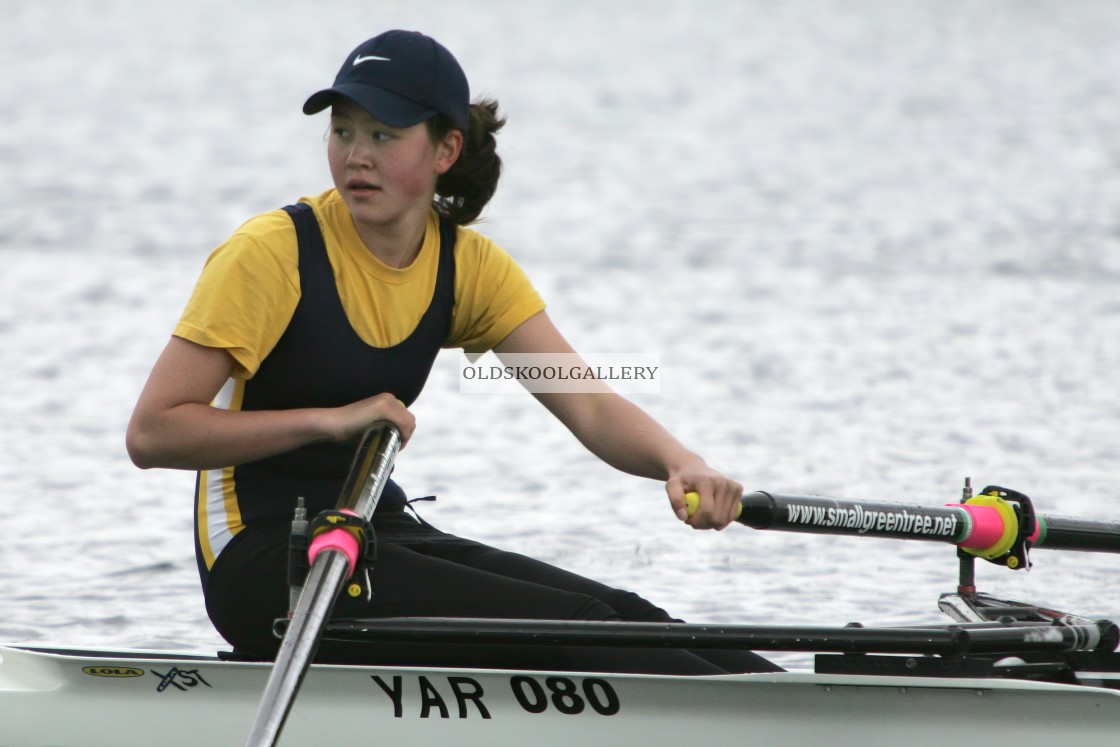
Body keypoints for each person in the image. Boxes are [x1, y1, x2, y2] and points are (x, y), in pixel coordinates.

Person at [127, 30, 778, 674]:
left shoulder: (466, 265)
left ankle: (794, 708)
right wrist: (330, 420)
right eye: (344, 130)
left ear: (446, 149)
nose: (357, 155)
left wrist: (682, 462)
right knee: (583, 628)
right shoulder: (271, 254)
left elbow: (588, 402)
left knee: (630, 618)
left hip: (372, 531)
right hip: (266, 557)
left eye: (383, 135)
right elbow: (153, 432)